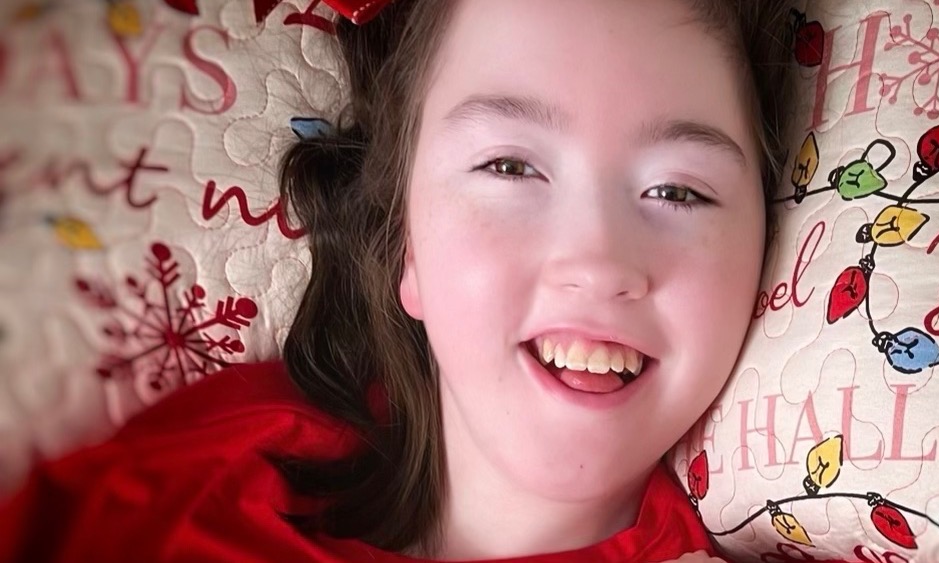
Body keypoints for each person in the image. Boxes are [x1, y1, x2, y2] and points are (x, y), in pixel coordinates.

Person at [0, 0, 796, 561]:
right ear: (406, 244)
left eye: (679, 190)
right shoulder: (205, 469)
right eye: (509, 166)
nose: (597, 260)